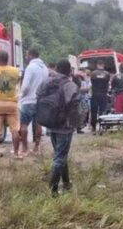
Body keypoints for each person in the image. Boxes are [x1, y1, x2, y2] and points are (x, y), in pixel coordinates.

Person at [37, 59, 80, 197]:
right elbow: (75, 105)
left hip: (50, 123)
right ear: (69, 71)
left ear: (56, 68)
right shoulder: (70, 85)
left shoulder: (46, 82)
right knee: (60, 157)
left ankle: (67, 183)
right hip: (64, 126)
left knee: (60, 154)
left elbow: (38, 95)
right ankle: (53, 190)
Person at [0, 49, 21, 159]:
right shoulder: (15, 71)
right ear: (8, 59)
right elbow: (17, 82)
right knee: (15, 129)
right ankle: (16, 153)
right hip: (12, 103)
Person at [16, 48, 49, 158]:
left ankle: (25, 148)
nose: (26, 57)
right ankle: (36, 147)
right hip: (40, 100)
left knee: (24, 124)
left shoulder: (30, 67)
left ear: (30, 55)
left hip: (29, 100)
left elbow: (25, 86)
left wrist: (21, 95)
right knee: (38, 124)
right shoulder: (45, 68)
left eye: (26, 55)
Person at [89, 60, 111, 134]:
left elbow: (91, 83)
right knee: (102, 111)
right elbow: (107, 83)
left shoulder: (93, 73)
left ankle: (93, 128)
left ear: (97, 65)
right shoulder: (107, 74)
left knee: (94, 112)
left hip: (95, 94)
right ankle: (102, 127)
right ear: (103, 65)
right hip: (103, 94)